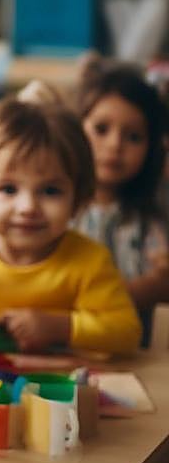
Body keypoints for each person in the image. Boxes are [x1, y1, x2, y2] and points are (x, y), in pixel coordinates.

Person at [0, 83, 141, 355]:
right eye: (8, 189)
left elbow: (127, 332)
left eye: (50, 191)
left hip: (55, 388)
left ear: (78, 201)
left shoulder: (89, 261)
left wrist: (59, 326)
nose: (27, 207)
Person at [73, 57, 169, 334]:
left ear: (151, 148)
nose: (114, 145)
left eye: (134, 137)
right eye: (101, 129)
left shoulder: (150, 218)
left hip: (134, 349)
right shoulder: (61, 212)